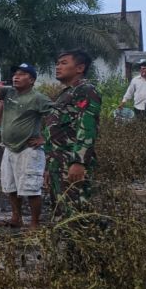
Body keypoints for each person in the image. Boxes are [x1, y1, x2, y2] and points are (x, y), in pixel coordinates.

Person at [0, 63, 52, 228]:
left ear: (31, 80)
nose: (16, 77)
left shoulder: (38, 98)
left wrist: (45, 138)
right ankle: (16, 218)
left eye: (22, 74)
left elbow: (57, 116)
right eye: (15, 74)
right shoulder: (8, 92)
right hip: (10, 148)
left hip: (28, 150)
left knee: (31, 189)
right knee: (10, 186)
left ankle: (34, 224)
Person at [43, 50, 101, 216]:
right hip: (57, 163)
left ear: (80, 68)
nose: (58, 67)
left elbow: (87, 127)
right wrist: (49, 166)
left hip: (71, 163)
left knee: (75, 213)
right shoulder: (66, 93)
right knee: (59, 210)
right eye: (57, 63)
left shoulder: (86, 90)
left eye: (64, 63)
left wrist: (79, 162)